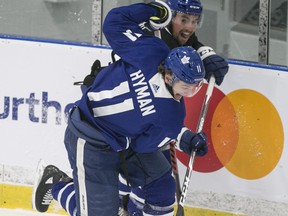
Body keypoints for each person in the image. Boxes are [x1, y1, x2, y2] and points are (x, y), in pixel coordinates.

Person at [32, 1, 208, 216]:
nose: (189, 93)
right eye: (186, 86)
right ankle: (57, 183)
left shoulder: (171, 109)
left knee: (161, 184)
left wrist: (183, 137)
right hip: (89, 138)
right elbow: (114, 23)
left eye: (195, 87)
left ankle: (125, 206)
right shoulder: (151, 50)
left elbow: (142, 146)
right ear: (170, 76)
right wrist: (155, 9)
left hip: (122, 142)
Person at [118, 0, 229, 215]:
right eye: (184, 19)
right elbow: (153, 114)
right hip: (125, 117)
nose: (189, 26)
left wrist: (205, 54)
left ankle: (125, 207)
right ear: (170, 20)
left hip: (141, 124)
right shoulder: (153, 42)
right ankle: (60, 184)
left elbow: (191, 43)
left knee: (149, 175)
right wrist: (182, 136)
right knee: (135, 174)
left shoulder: (171, 36)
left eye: (195, 21)